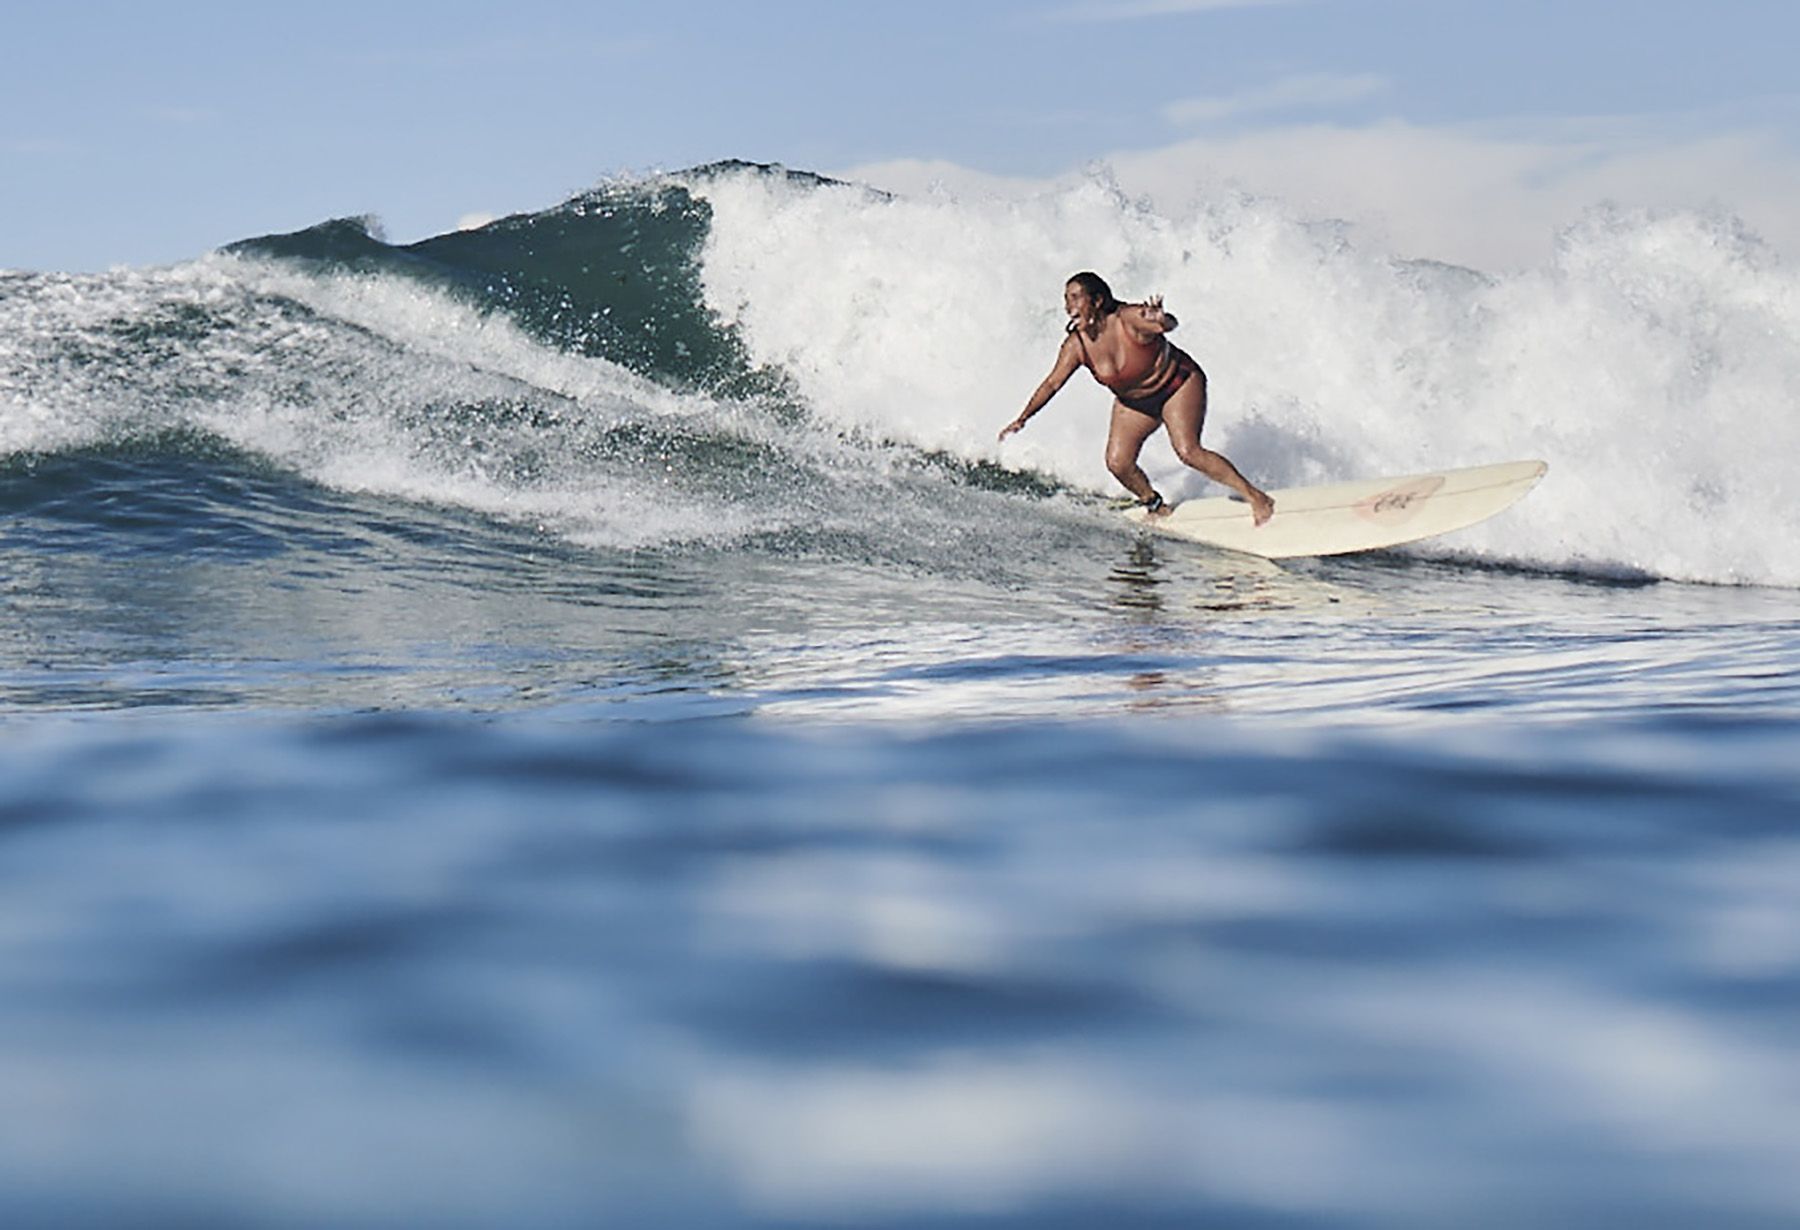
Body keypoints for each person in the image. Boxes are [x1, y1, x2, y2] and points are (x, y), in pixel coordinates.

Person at [999, 271, 1274, 525]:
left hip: (1177, 385)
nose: (1068, 305)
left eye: (1075, 298)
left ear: (1096, 300)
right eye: (1065, 299)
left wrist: (1160, 320)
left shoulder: (1127, 318)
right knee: (1118, 462)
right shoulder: (1077, 345)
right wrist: (1023, 418)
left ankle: (1255, 496)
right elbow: (1052, 383)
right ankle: (1155, 505)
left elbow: (1169, 324)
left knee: (1188, 451)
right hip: (1135, 403)